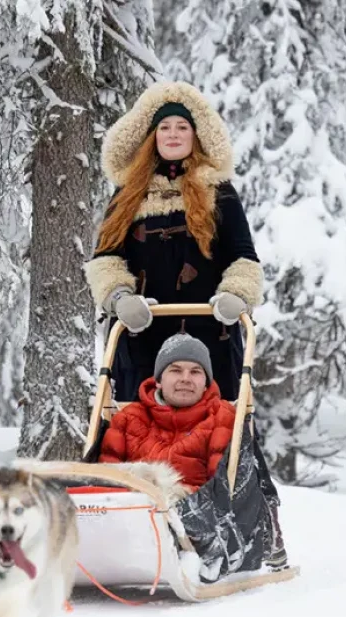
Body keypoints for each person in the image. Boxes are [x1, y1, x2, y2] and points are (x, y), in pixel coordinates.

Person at [83, 81, 262, 402]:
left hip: (211, 335)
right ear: (152, 136)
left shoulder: (219, 192)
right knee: (137, 424)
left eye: (182, 126)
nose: (173, 133)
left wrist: (236, 295)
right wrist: (120, 298)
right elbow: (106, 257)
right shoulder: (127, 195)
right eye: (164, 127)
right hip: (141, 334)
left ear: (196, 135)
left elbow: (243, 256)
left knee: (216, 428)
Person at [99, 334, 236, 492]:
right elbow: (107, 486)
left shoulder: (222, 418)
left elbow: (224, 492)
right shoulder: (128, 419)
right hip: (134, 509)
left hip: (196, 509)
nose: (186, 379)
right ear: (158, 380)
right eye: (176, 370)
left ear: (206, 383)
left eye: (195, 372)